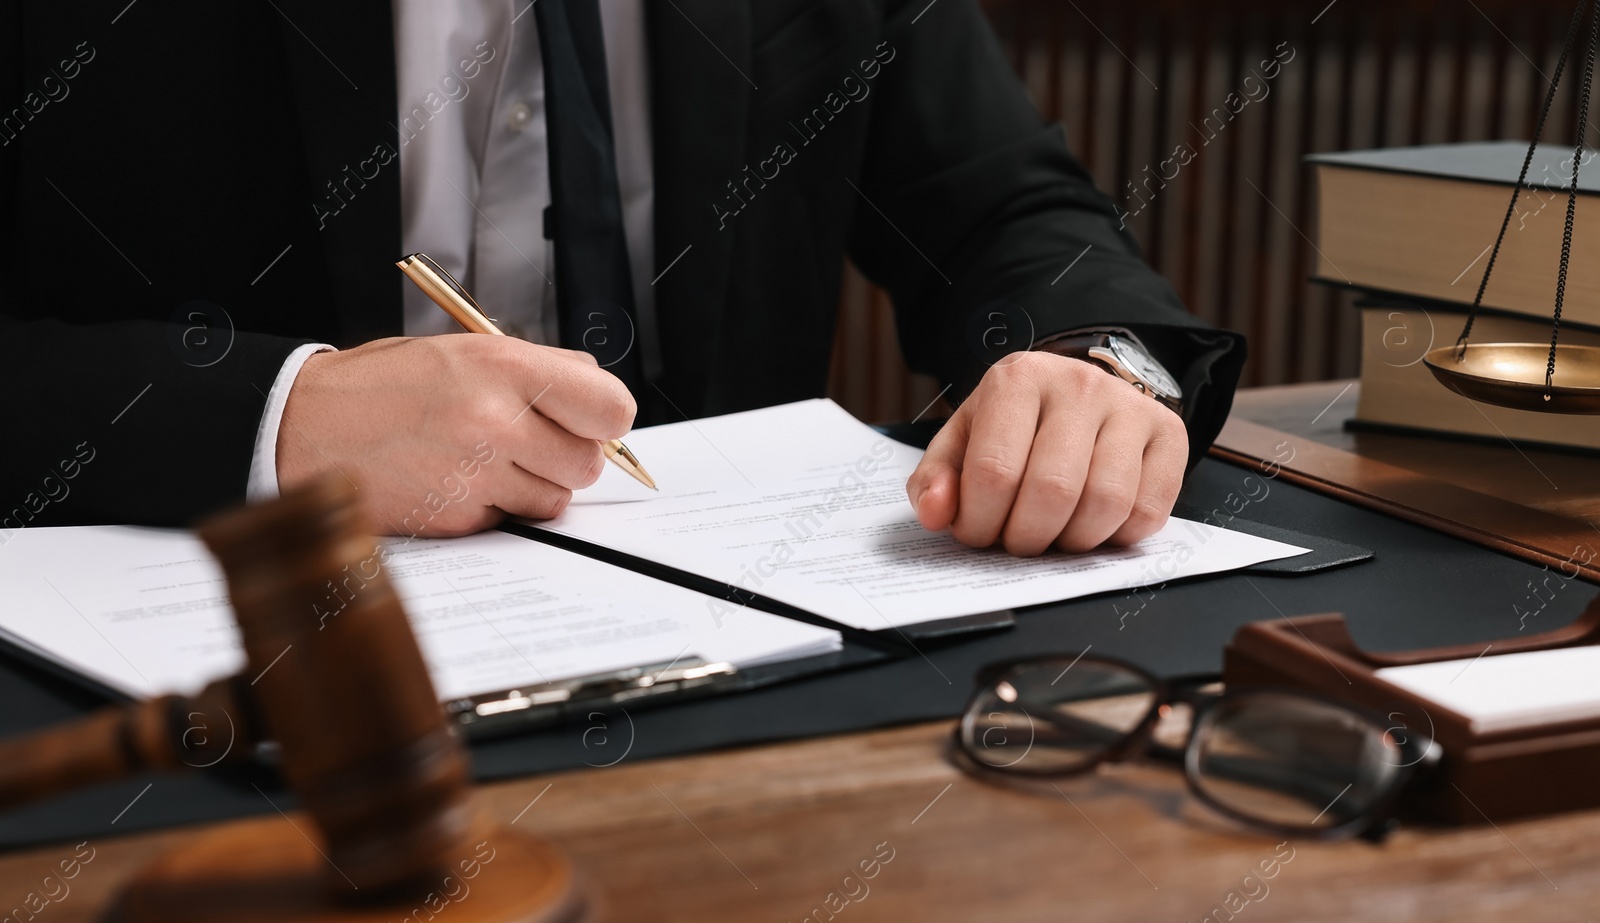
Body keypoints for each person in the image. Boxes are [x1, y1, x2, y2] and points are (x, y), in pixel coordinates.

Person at [0, 0, 1243, 558]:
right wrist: (275, 414)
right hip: (232, 705)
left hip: (738, 676)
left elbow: (1007, 210)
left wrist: (1102, 362)